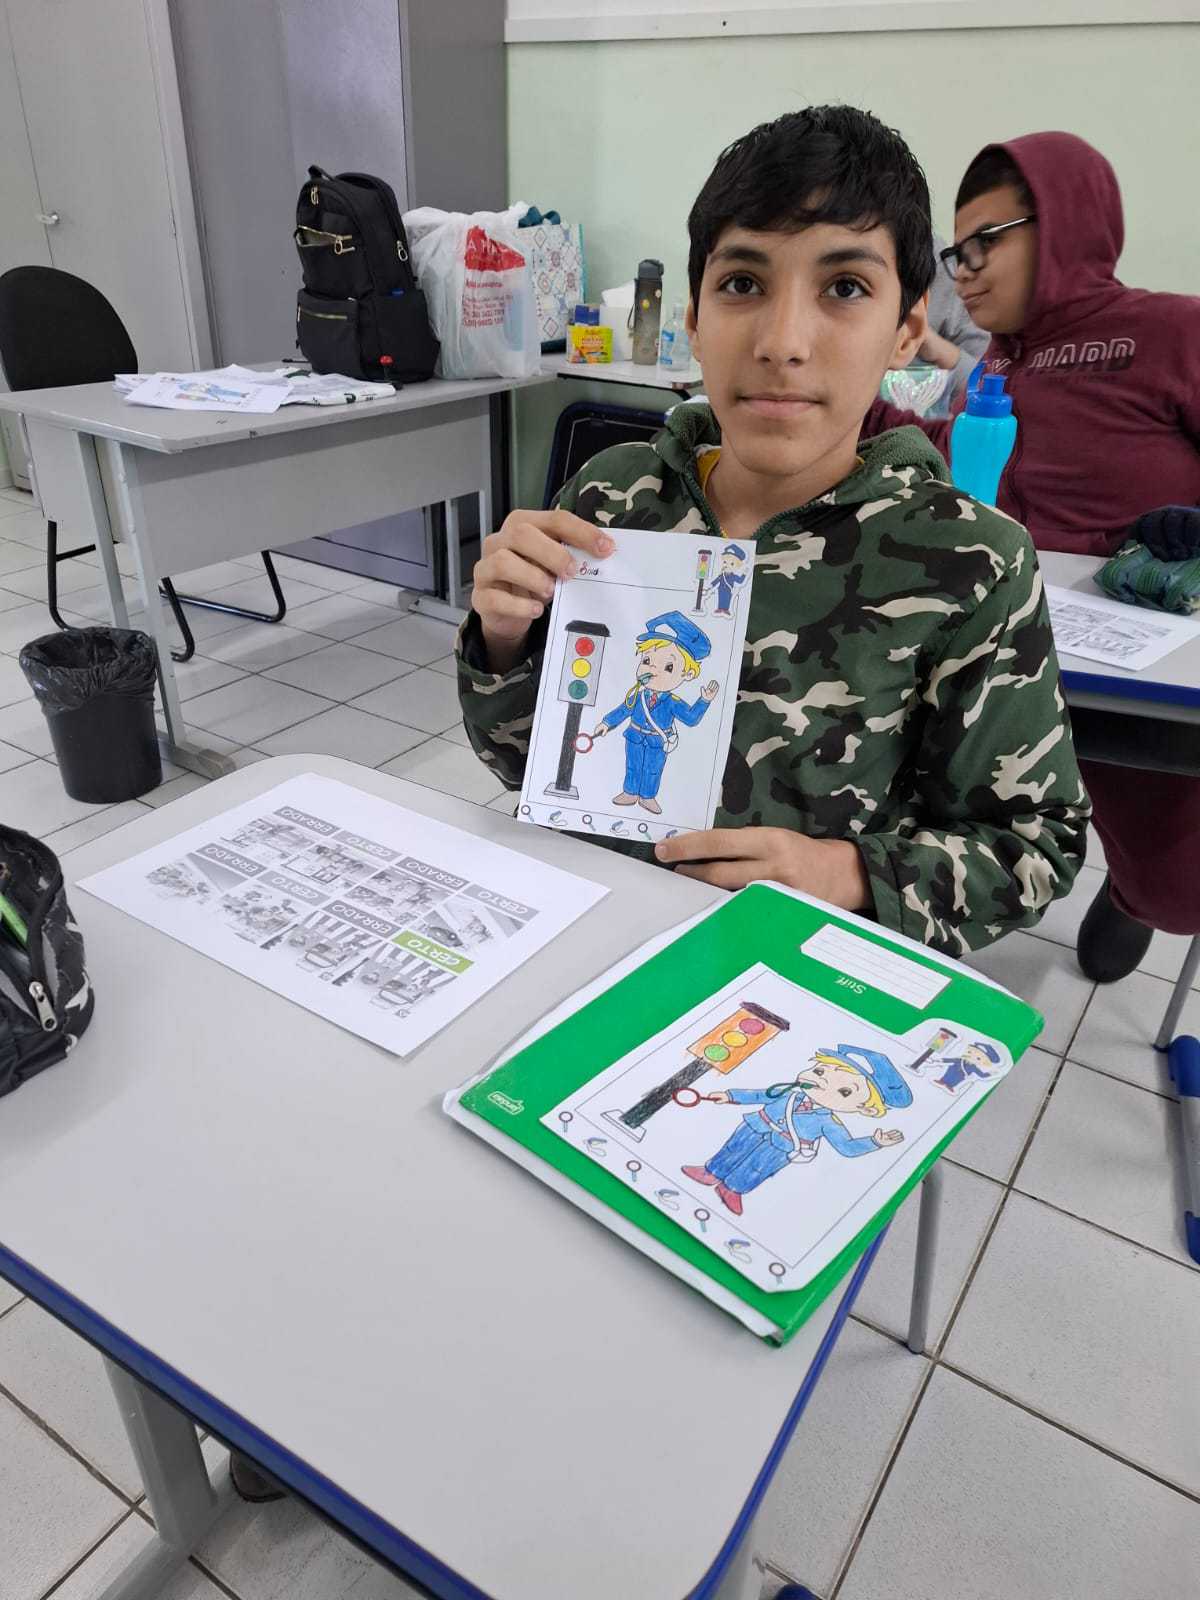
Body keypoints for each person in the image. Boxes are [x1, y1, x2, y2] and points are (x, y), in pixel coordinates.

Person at [457, 105, 1089, 958]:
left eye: (845, 287)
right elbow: (526, 763)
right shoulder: (613, 499)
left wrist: (847, 874)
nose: (782, 343)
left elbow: (1035, 845)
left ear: (907, 331)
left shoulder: (970, 562)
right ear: (693, 317)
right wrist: (502, 642)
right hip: (588, 934)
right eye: (743, 284)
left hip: (792, 970)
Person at [862, 133, 1200, 981]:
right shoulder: (1004, 366)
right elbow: (963, 455)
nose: (965, 271)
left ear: (1065, 226)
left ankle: (1136, 895)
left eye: (986, 242)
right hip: (1027, 649)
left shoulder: (1172, 332)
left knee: (1176, 880)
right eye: (956, 252)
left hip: (1150, 668)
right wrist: (848, 406)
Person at [680, 1045, 911, 1217]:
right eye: (820, 1072)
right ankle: (710, 1172)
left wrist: (875, 1142)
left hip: (781, 1146)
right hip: (755, 1125)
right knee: (733, 1149)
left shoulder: (829, 1123)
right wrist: (730, 1096)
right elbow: (761, 1095)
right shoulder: (789, 1092)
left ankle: (733, 1189)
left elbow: (847, 1147)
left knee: (758, 1168)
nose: (822, 1082)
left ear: (866, 1109)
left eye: (844, 1092)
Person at [592, 611, 719, 814]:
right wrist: (606, 723)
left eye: (668, 667)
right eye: (647, 661)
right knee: (632, 766)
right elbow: (624, 709)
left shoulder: (673, 702)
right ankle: (630, 792)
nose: (653, 670)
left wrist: (704, 701)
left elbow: (691, 719)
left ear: (687, 674)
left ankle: (648, 797)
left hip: (658, 741)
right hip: (634, 736)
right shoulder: (637, 694)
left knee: (652, 770)